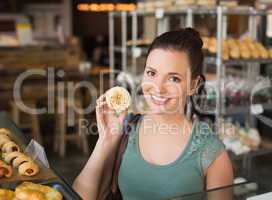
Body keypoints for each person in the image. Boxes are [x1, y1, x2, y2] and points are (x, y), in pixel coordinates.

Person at [73, 28, 233, 200]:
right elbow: (80, 196)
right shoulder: (126, 128)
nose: (158, 87)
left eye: (174, 78)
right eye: (151, 73)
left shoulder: (211, 153)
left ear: (194, 85)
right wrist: (106, 140)